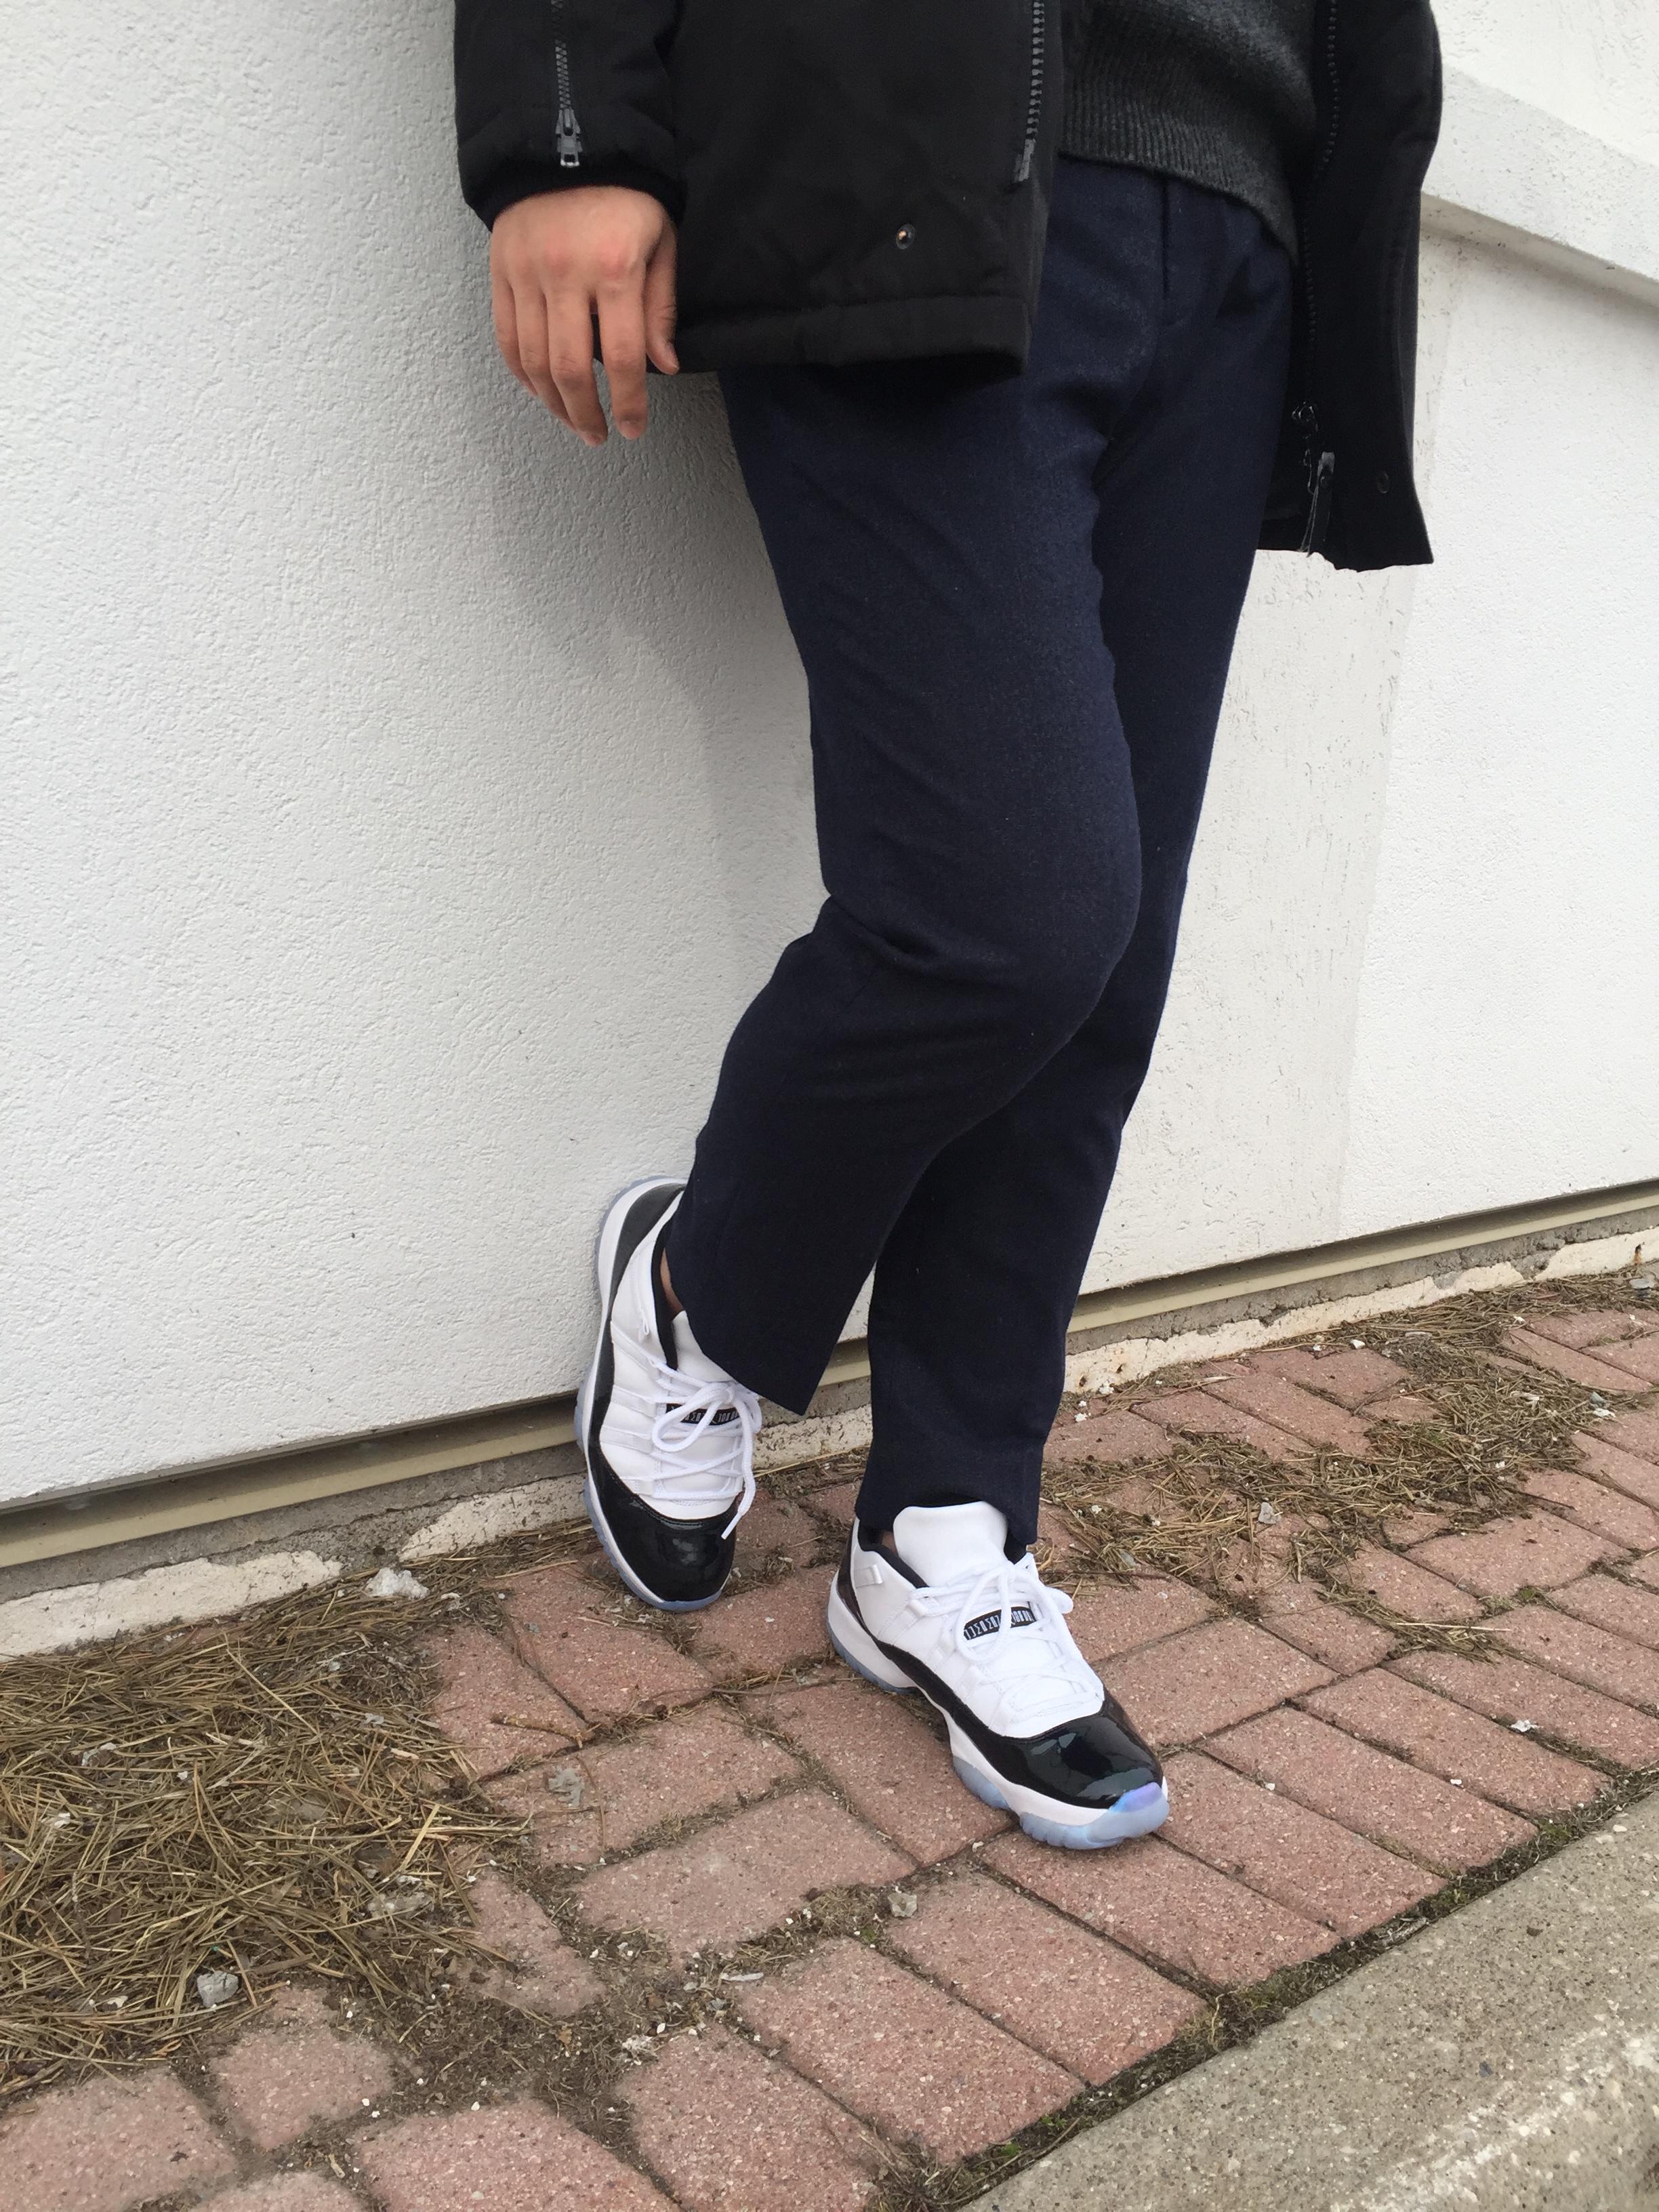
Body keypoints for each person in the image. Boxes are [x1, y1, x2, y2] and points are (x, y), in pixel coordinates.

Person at [454, 0, 1441, 1849]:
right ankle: (701, 1291)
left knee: (1106, 965)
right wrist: (563, 127)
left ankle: (946, 1522)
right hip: (905, 138)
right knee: (1010, 914)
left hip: (1239, 219)